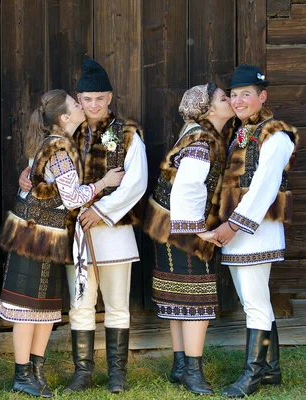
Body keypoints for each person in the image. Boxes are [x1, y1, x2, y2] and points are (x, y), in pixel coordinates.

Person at [19, 59, 147, 393]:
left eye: (99, 99)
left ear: (110, 97)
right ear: (79, 99)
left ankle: (117, 374)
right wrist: (27, 178)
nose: (93, 105)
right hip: (74, 232)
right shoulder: (66, 132)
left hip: (114, 231)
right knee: (80, 303)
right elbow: (41, 165)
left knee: (117, 303)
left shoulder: (128, 133)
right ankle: (83, 372)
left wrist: (102, 212)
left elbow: (137, 182)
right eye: (86, 99)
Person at [0, 89, 124, 398]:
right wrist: (104, 183)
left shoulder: (52, 143)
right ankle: (22, 374)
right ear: (66, 117)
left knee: (43, 308)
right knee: (27, 308)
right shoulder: (60, 150)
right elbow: (72, 199)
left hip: (44, 235)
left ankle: (35, 373)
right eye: (76, 104)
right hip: (34, 235)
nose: (83, 106)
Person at [211, 65, 299, 398]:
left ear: (262, 96)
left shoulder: (275, 134)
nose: (238, 101)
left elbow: (264, 187)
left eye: (246, 94)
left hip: (255, 232)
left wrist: (233, 224)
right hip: (240, 233)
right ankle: (271, 370)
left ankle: (252, 376)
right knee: (255, 300)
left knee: (254, 304)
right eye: (233, 95)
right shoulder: (244, 130)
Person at [143, 82, 236, 395]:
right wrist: (201, 230)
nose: (232, 100)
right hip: (182, 229)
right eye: (226, 98)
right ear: (210, 109)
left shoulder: (196, 133)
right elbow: (187, 187)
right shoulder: (202, 139)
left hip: (168, 226)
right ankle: (193, 372)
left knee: (178, 296)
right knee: (197, 298)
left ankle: (181, 365)